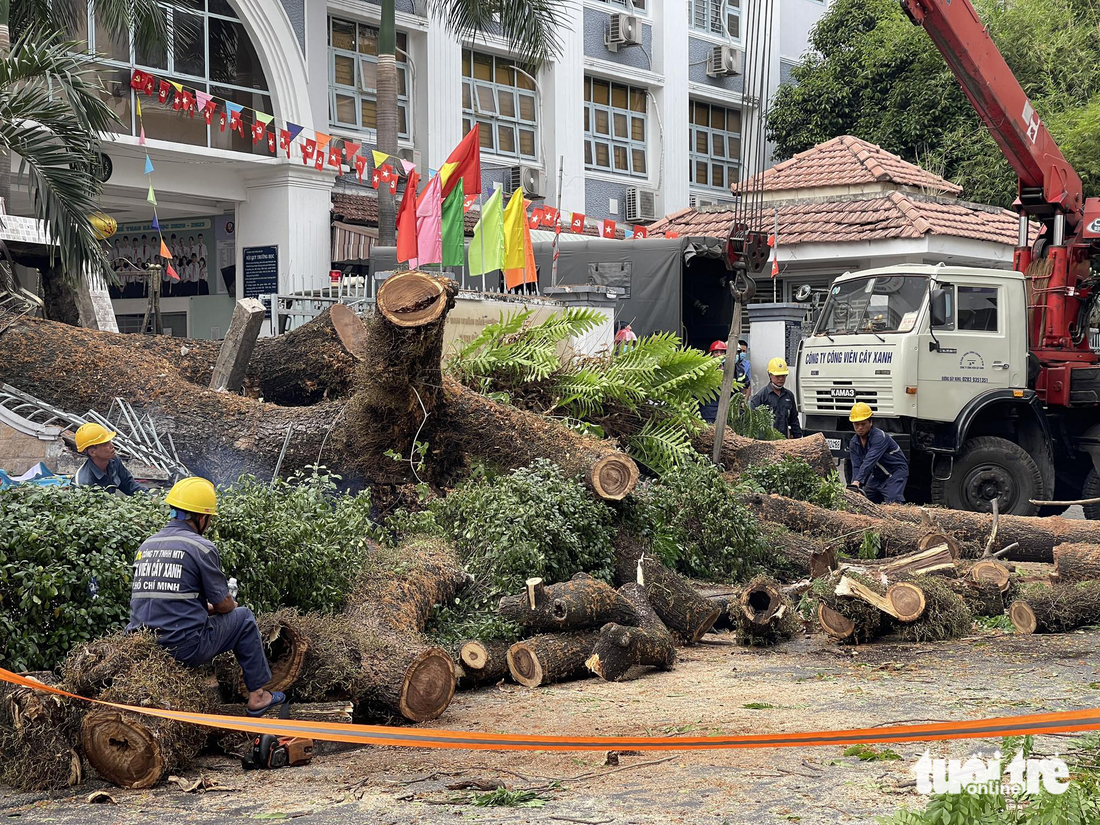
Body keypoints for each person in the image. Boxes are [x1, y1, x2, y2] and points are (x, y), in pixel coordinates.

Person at [127, 477, 285, 717]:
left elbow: (164, 599)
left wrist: (204, 608)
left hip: (143, 645)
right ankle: (258, 697)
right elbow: (223, 604)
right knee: (243, 618)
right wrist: (228, 604)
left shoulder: (147, 545)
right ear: (202, 518)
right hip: (181, 647)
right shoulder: (201, 547)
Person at [847, 402, 909, 504]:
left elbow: (870, 460)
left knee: (894, 503)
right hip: (877, 475)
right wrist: (855, 486)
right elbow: (856, 466)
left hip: (894, 472)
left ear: (870, 422)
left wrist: (858, 480)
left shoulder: (879, 437)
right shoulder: (854, 442)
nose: (859, 428)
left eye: (863, 424)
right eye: (856, 424)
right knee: (861, 501)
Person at [74, 423, 146, 495]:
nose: (112, 446)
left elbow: (130, 485)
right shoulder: (83, 483)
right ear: (92, 452)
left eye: (110, 442)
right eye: (105, 444)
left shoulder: (114, 461)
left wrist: (150, 497)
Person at [749, 357, 803, 438]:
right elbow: (751, 421)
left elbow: (794, 420)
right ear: (770, 375)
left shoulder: (789, 395)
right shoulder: (761, 397)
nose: (780, 379)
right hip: (766, 443)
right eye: (777, 376)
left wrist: (798, 438)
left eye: (783, 376)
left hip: (783, 441)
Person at [699, 341, 728, 423]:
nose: (719, 354)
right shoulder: (705, 370)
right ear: (711, 354)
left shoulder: (732, 369)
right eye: (716, 352)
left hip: (725, 408)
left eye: (722, 352)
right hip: (708, 409)